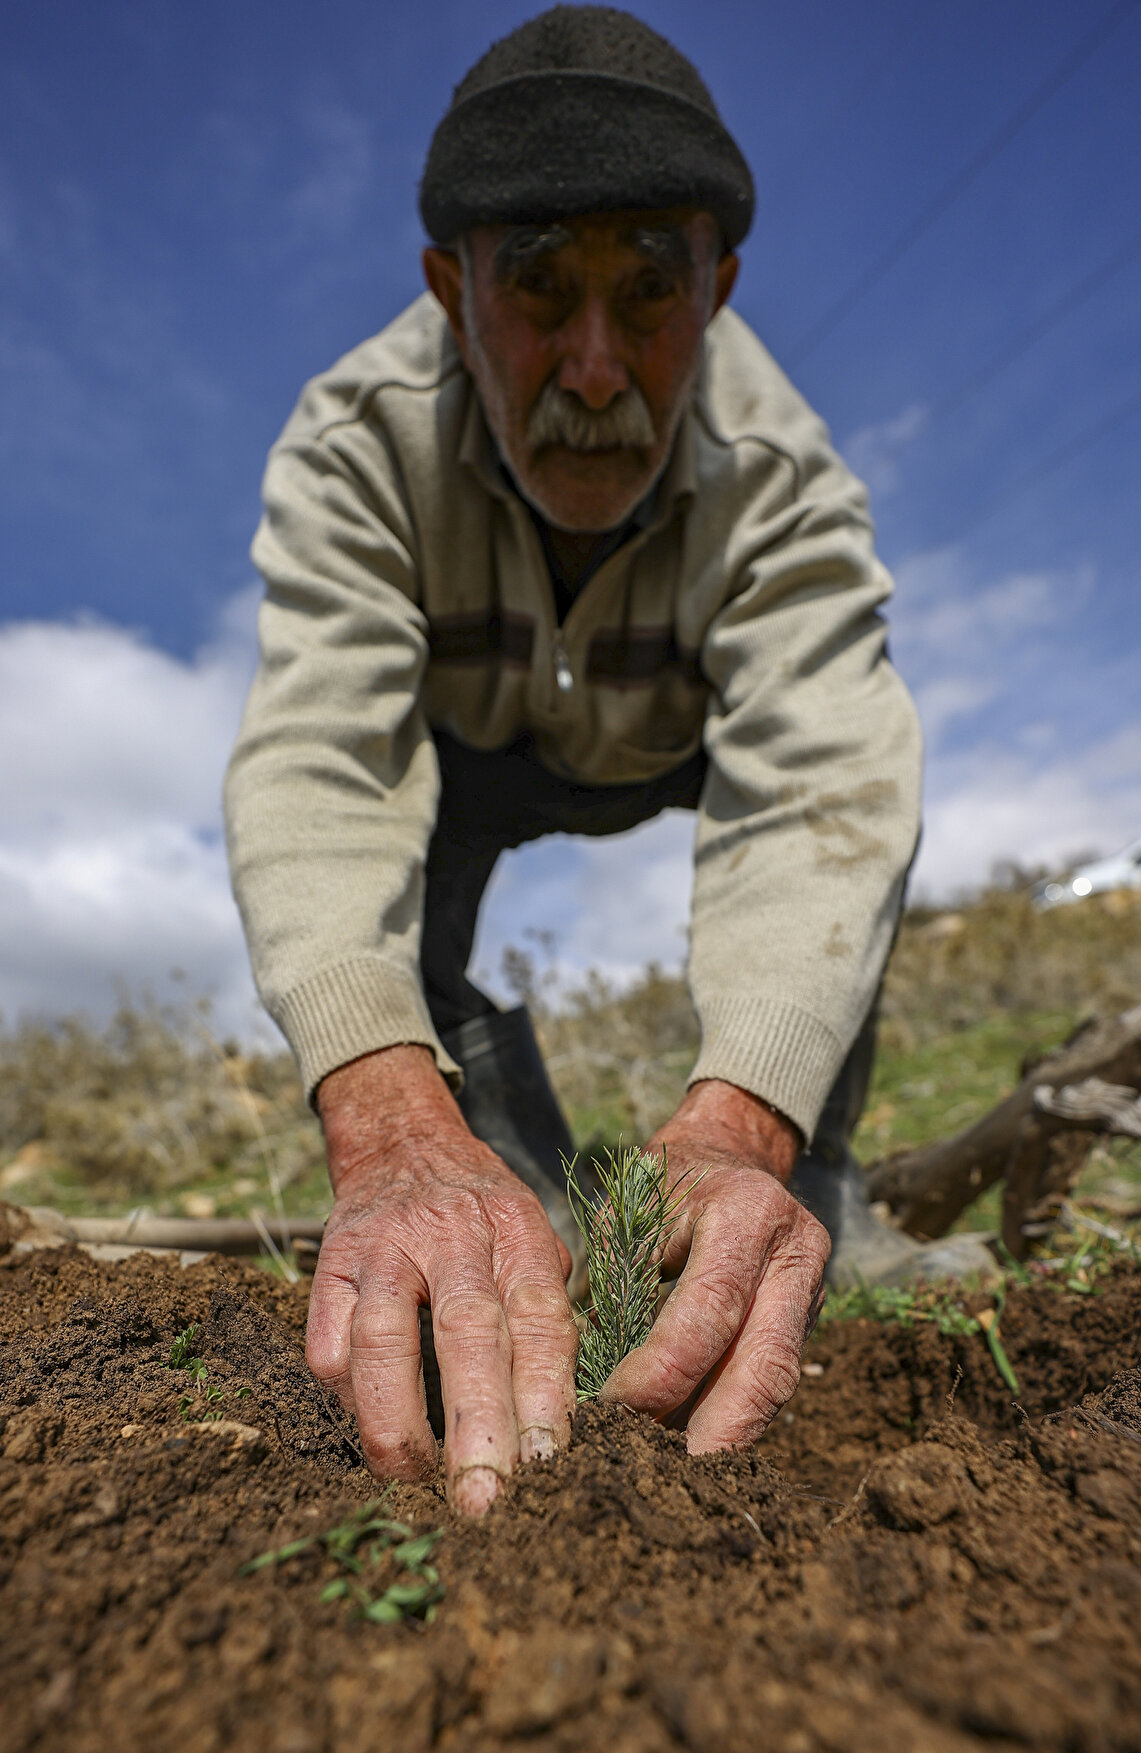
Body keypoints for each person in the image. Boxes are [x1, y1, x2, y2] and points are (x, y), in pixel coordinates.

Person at [225, 5, 977, 1519]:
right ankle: (513, 1216)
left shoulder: (781, 481)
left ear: (721, 288)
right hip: (471, 753)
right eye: (539, 289)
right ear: (450, 293)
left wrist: (736, 1125)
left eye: (648, 294)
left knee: (839, 870)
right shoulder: (355, 443)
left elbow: (823, 792)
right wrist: (387, 1126)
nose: (592, 364)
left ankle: (790, 1203)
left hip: (677, 742)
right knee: (404, 973)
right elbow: (321, 757)